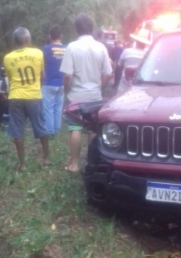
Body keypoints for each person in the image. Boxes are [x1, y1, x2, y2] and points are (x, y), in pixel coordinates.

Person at [60, 13, 112, 173]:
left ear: (76, 30)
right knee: (91, 130)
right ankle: (91, 162)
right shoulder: (101, 47)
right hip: (94, 97)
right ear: (92, 29)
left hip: (76, 97)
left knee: (74, 128)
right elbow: (108, 73)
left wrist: (66, 91)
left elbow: (68, 75)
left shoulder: (72, 47)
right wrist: (99, 87)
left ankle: (74, 164)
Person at [3, 27, 50, 171]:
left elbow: (10, 81)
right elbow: (42, 76)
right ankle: (46, 158)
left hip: (15, 96)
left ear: (16, 42)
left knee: (17, 130)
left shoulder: (7, 58)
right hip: (34, 96)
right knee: (41, 126)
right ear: (27, 40)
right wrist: (36, 87)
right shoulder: (38, 53)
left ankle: (22, 164)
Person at [42, 25, 66, 136]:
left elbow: (40, 65)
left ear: (50, 36)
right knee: (58, 108)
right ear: (61, 35)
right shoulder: (67, 49)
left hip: (48, 83)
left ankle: (50, 132)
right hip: (62, 83)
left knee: (48, 109)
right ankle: (57, 130)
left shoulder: (46, 49)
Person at [116, 28, 152, 93]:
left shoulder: (126, 51)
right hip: (140, 87)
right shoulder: (147, 55)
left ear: (136, 41)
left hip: (123, 87)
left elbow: (119, 66)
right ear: (145, 43)